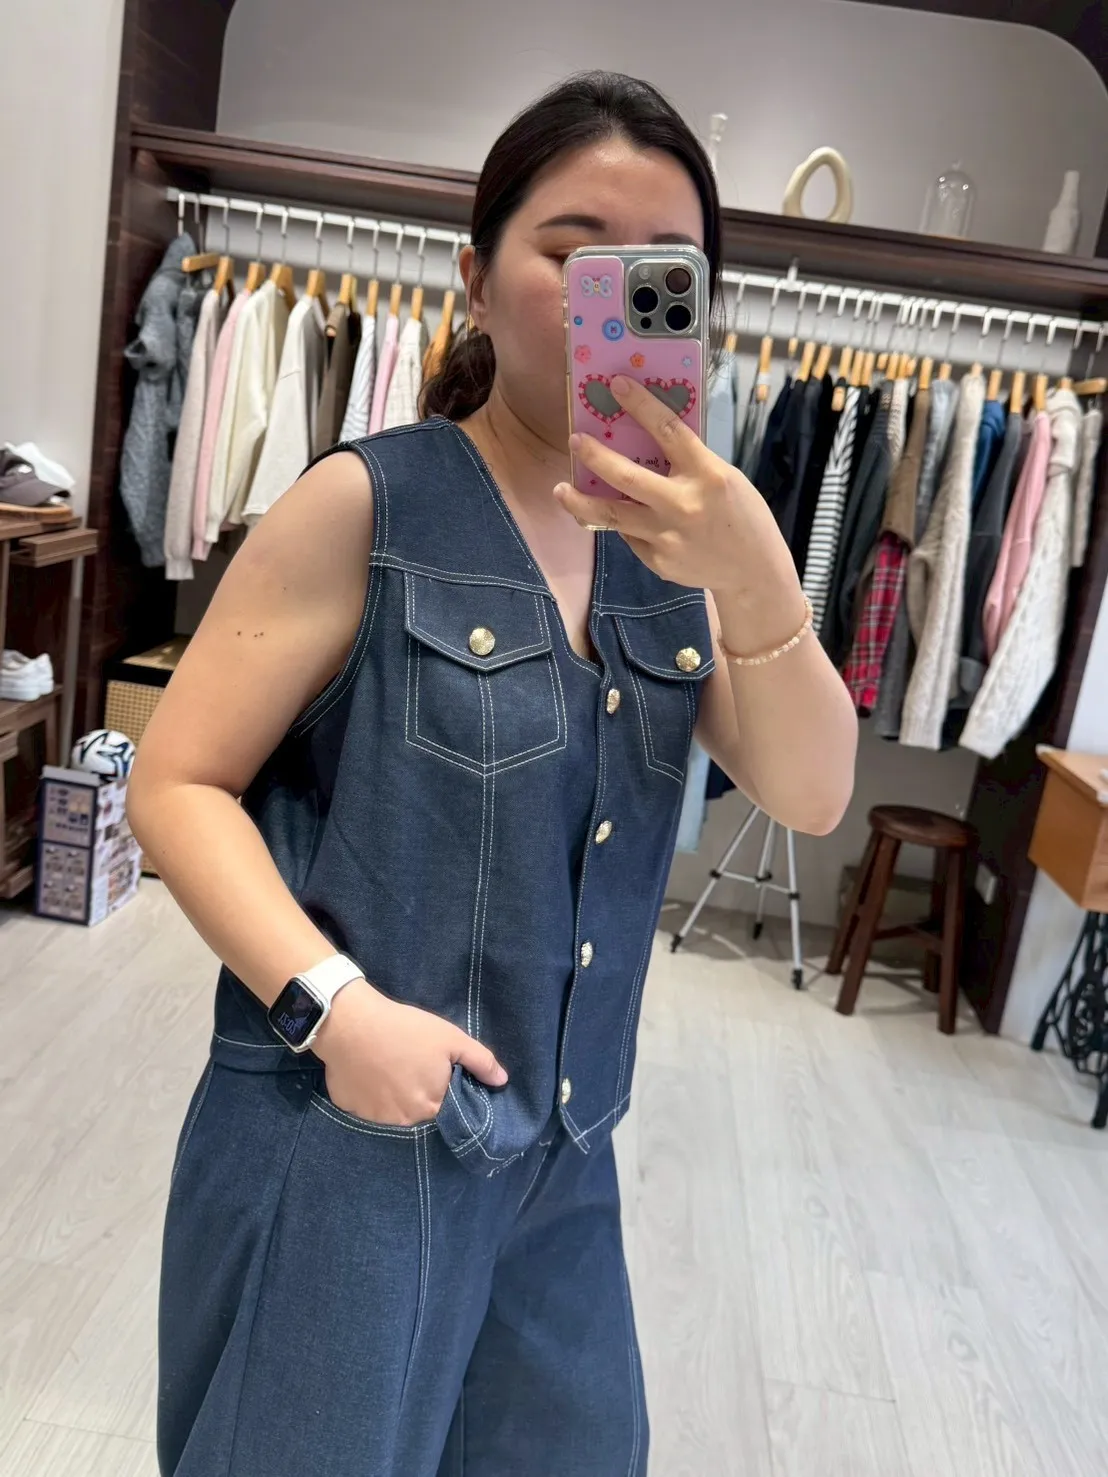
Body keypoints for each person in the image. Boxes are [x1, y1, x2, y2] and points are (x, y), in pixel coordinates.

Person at [129, 70, 856, 1477]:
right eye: (572, 252)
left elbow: (812, 792)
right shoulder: (370, 503)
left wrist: (760, 576)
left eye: (663, 271)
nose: (612, 296)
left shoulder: (685, 553)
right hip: (351, 1142)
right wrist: (338, 1011)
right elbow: (176, 784)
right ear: (474, 277)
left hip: (563, 1171)